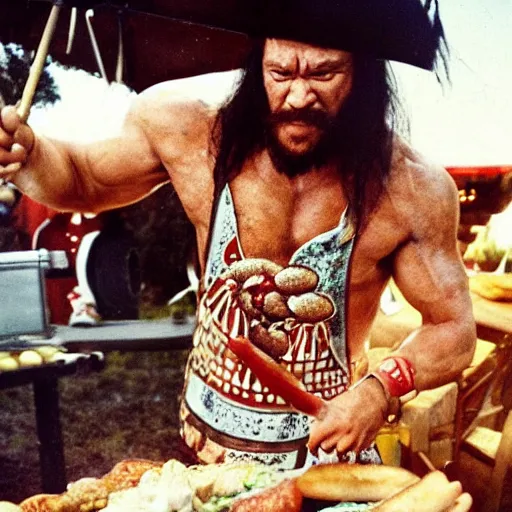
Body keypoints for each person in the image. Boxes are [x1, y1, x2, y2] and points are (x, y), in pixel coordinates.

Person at [0, 1, 476, 470]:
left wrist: (379, 390)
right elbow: (84, 179)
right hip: (206, 444)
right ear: (257, 65)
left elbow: (453, 329)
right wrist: (29, 154)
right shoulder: (189, 132)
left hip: (330, 453)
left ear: (365, 78)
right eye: (281, 73)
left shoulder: (412, 188)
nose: (297, 97)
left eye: (323, 75)